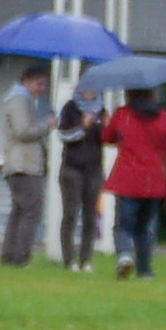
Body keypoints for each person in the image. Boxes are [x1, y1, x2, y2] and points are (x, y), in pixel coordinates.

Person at [102, 88, 166, 280]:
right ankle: (145, 271)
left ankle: (125, 255)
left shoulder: (123, 114)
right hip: (154, 180)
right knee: (144, 228)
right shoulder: (163, 115)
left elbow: (107, 137)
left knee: (123, 226)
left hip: (128, 178)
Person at [0, 65, 56, 267]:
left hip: (19, 163)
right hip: (23, 164)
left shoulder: (21, 99)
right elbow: (23, 131)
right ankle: (21, 257)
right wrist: (47, 125)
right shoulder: (19, 99)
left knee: (19, 211)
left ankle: (9, 255)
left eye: (44, 85)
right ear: (26, 80)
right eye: (38, 83)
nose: (42, 88)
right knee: (31, 211)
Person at [57, 81, 106, 271]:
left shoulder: (102, 111)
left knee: (90, 215)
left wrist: (106, 128)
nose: (90, 92)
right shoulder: (70, 108)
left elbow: (107, 138)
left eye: (93, 89)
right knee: (70, 213)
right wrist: (83, 127)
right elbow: (63, 136)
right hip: (72, 168)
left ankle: (86, 260)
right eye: (86, 89)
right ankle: (69, 259)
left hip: (94, 169)